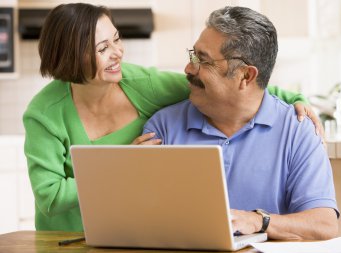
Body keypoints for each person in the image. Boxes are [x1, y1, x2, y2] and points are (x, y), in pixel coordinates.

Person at [23, 3, 320, 232]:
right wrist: (121, 164)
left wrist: (294, 98)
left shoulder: (140, 84)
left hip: (123, 234)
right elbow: (49, 197)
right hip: (64, 238)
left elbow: (233, 86)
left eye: (116, 39)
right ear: (72, 56)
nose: (118, 53)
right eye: (103, 48)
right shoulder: (45, 114)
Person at [143, 6, 339, 240]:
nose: (188, 68)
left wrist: (259, 221)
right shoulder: (163, 127)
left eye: (202, 60)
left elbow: (323, 226)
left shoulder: (297, 130)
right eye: (192, 55)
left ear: (246, 76)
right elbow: (141, 219)